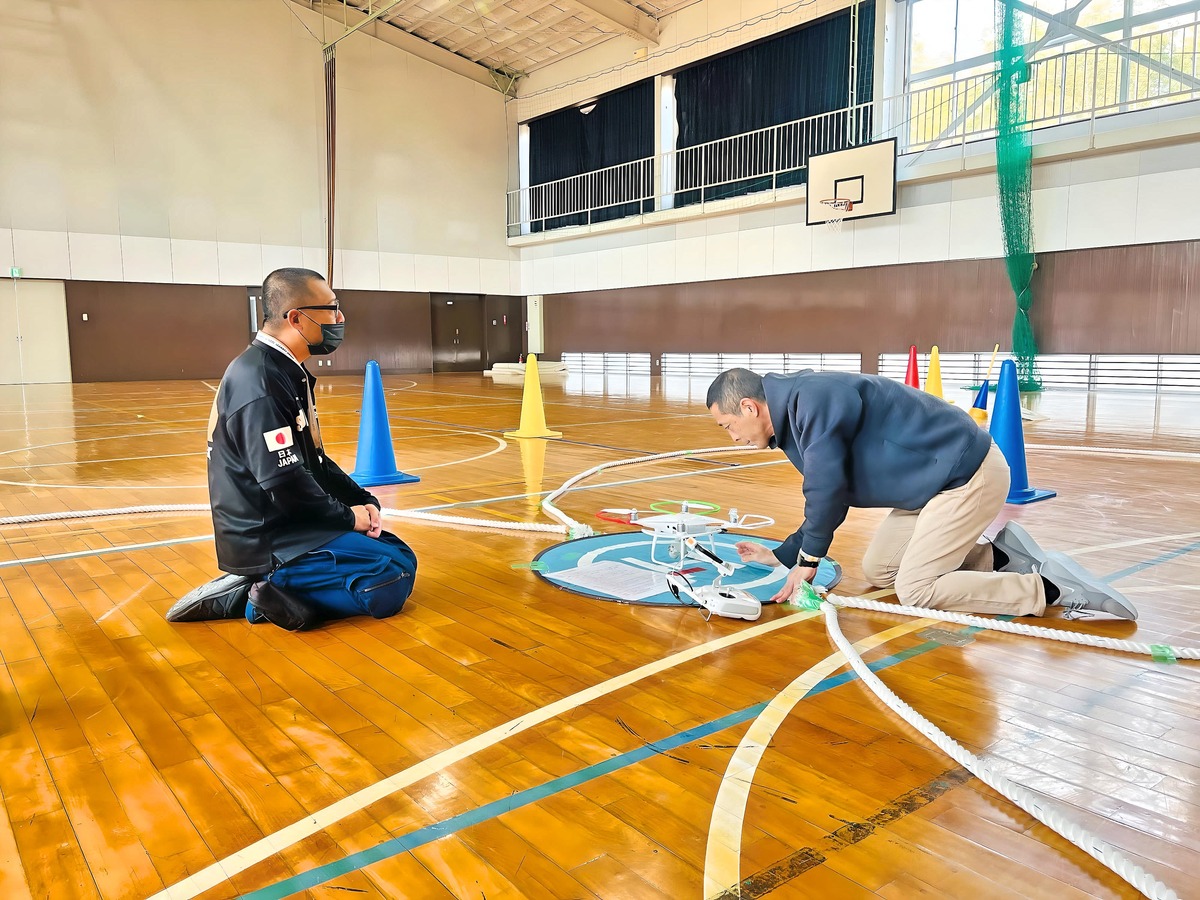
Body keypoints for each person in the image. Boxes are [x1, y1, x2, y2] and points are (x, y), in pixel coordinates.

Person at [706, 367, 1136, 620]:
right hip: (928, 489)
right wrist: (784, 555)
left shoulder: (813, 399)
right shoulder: (795, 417)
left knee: (918, 590)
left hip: (966, 476)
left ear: (748, 407)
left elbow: (827, 488)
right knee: (882, 571)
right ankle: (999, 558)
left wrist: (807, 561)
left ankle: (1048, 588)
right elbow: (825, 497)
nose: (732, 437)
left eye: (727, 426)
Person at [167, 268, 417, 630]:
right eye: (331, 308)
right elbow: (284, 482)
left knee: (401, 555)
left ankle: (282, 588)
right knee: (390, 581)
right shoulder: (260, 381)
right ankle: (261, 593)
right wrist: (348, 518)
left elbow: (313, 461)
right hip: (271, 538)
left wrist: (363, 501)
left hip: (293, 522)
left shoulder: (287, 370)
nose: (340, 318)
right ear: (297, 318)